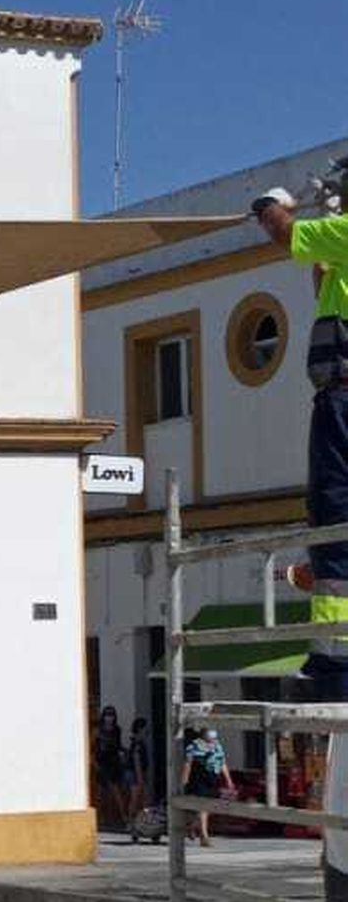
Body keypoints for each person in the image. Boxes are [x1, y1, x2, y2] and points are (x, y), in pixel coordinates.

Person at [250, 172, 348, 700]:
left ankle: (336, 658)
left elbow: (287, 235)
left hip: (344, 400)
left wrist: (271, 205)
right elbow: (322, 279)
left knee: (334, 516)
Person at [181, 711, 232, 847]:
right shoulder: (194, 746)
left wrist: (228, 780)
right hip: (199, 779)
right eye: (210, 731)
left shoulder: (217, 746)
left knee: (209, 807)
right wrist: (184, 781)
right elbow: (188, 764)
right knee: (203, 808)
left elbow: (222, 763)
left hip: (213, 779)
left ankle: (191, 826)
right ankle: (204, 836)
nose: (212, 734)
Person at [91, 704, 129, 833]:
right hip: (101, 763)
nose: (109, 718)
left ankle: (123, 817)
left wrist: (124, 752)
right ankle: (101, 818)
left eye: (112, 715)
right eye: (107, 715)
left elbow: (118, 746)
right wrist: (94, 763)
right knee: (102, 794)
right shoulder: (98, 730)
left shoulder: (117, 730)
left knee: (116, 791)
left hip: (113, 763)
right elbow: (92, 748)